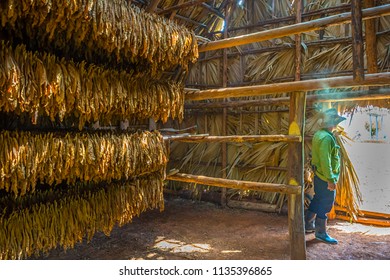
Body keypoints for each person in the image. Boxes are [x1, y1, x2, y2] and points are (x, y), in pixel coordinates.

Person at [305, 108, 346, 245]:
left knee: (318, 199)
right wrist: (331, 180)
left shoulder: (319, 134)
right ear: (332, 124)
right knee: (326, 203)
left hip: (319, 176)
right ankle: (321, 233)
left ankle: (308, 224)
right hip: (325, 178)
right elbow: (325, 161)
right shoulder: (327, 138)